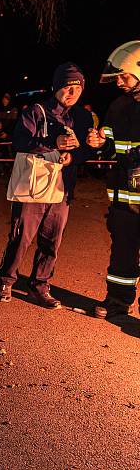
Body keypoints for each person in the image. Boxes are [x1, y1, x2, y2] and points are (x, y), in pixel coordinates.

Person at [0, 62, 96, 307]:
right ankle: (6, 279)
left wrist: (77, 154)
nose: (72, 93)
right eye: (67, 87)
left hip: (63, 188)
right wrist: (53, 141)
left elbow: (85, 151)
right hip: (35, 185)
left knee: (52, 241)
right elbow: (19, 141)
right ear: (56, 87)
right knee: (21, 237)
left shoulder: (83, 116)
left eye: (77, 88)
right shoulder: (36, 111)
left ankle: (40, 286)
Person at [88, 41, 140, 319]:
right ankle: (118, 301)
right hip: (123, 198)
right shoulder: (117, 106)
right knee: (122, 254)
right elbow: (110, 145)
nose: (119, 82)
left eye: (124, 75)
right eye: (117, 76)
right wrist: (99, 142)